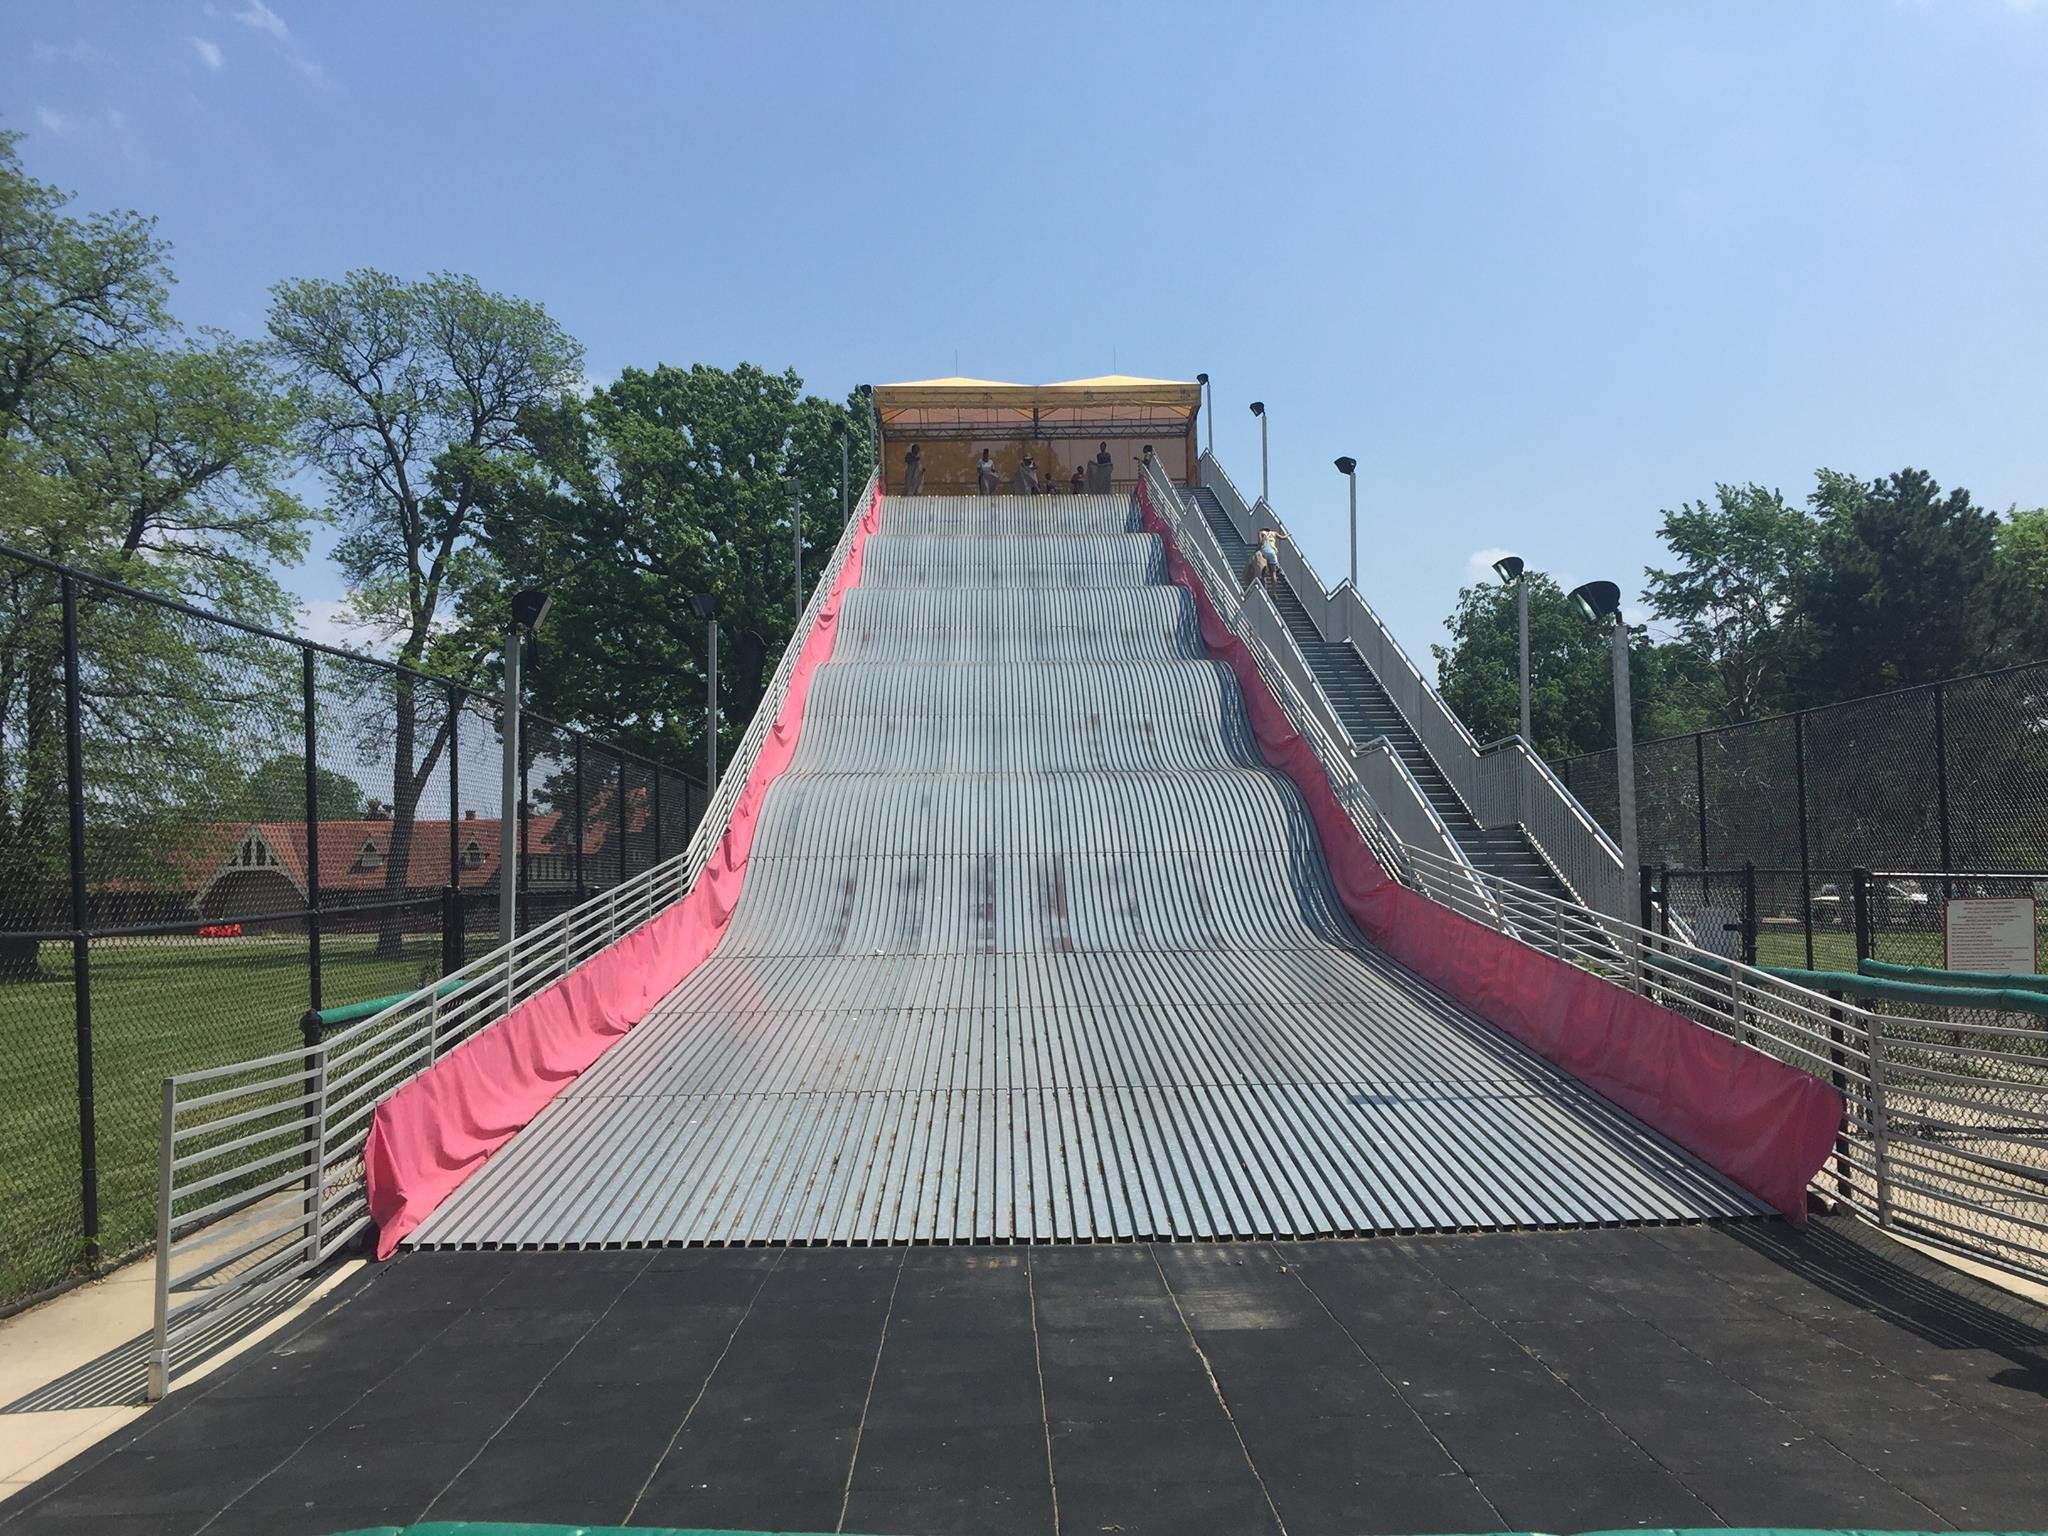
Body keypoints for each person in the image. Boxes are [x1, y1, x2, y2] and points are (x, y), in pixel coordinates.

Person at [1241, 525, 1288, 592]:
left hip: (1264, 552)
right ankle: (1274, 592)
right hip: (1273, 552)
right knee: (1273, 573)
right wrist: (1287, 535)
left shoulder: (1261, 532)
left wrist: (1255, 551)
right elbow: (1283, 537)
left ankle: (1263, 582)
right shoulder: (1274, 533)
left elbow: (1260, 543)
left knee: (1261, 567)